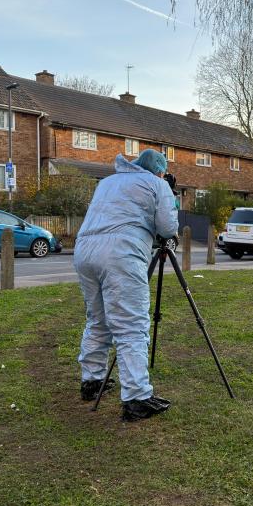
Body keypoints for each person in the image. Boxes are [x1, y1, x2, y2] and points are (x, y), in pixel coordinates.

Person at [74, 149, 179, 423]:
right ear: (159, 171)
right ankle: (136, 397)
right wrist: (168, 194)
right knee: (131, 325)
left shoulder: (107, 182)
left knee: (97, 319)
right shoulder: (157, 184)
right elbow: (167, 227)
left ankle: (92, 380)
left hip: (85, 250)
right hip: (121, 252)